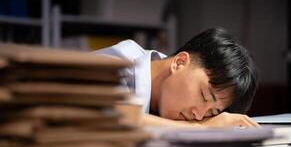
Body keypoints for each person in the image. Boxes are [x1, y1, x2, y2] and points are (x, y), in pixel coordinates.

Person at [93, 27, 259, 128]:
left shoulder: (168, 93)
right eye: (204, 96)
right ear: (179, 62)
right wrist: (204, 128)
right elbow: (119, 119)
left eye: (212, 112)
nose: (199, 116)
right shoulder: (113, 66)